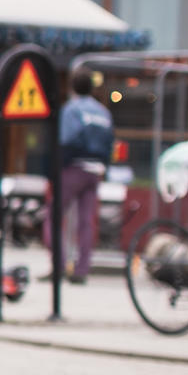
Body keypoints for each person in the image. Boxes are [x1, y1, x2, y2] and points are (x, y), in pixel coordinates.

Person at [54, 66, 114, 283]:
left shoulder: (71, 109)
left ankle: (59, 266)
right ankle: (82, 270)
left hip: (73, 168)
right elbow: (109, 143)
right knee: (86, 221)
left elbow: (66, 139)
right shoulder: (103, 111)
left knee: (52, 215)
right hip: (95, 170)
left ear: (72, 86)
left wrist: (58, 163)